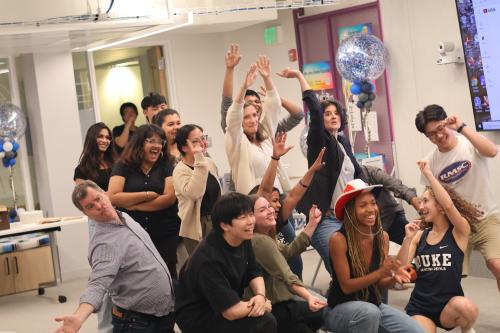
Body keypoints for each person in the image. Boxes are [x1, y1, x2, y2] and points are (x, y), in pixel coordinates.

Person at [54, 181, 175, 333]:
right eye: (90, 206)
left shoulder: (123, 216)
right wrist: (79, 317)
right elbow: (97, 285)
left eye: (98, 199)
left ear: (105, 193)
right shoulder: (105, 244)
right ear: (86, 214)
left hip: (160, 316)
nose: (98, 206)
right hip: (138, 324)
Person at [280, 68, 364, 274]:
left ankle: (369, 305)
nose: (333, 116)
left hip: (348, 216)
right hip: (325, 218)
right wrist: (300, 76)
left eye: (336, 113)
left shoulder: (343, 142)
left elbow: (356, 176)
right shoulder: (319, 141)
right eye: (328, 114)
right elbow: (314, 110)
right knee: (341, 268)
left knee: (365, 265)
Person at [323, 179, 426, 333]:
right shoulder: (338, 239)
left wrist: (392, 278)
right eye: (363, 205)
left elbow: (380, 282)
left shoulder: (382, 237)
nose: (371, 209)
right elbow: (346, 287)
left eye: (373, 203)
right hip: (341, 310)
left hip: (374, 306)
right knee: (369, 313)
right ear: (350, 210)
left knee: (417, 331)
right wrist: (381, 272)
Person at [415, 105, 500, 290]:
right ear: (427, 136)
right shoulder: (430, 162)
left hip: (486, 218)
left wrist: (461, 127)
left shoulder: (469, 142)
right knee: (448, 275)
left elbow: (492, 151)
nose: (438, 136)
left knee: (497, 265)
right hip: (456, 224)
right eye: (431, 134)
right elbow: (430, 197)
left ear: (447, 122)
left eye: (440, 128)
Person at [175, 192, 276, 333]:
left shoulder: (242, 236)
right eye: (243, 217)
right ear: (225, 225)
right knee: (265, 321)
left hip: (225, 302)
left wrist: (260, 296)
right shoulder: (208, 259)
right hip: (199, 318)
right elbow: (231, 312)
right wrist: (262, 305)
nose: (250, 221)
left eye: (251, 214)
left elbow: (254, 271)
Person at [398, 161, 480, 333]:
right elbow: (402, 270)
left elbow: (449, 205)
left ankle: (466, 329)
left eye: (425, 201)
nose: (420, 207)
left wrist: (428, 174)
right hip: (420, 307)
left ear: (441, 207)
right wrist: (407, 239)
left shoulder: (459, 232)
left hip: (447, 307)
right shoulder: (419, 236)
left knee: (468, 308)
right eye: (420, 202)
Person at [108, 124, 180, 278]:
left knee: (168, 275)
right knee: (137, 276)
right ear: (140, 143)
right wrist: (148, 194)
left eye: (161, 142)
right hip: (133, 233)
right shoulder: (123, 165)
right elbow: (113, 196)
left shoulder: (167, 164)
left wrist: (133, 205)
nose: (157, 146)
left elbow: (169, 198)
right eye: (152, 141)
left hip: (164, 232)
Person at [251, 132, 326, 278]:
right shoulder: (254, 225)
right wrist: (275, 158)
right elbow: (265, 190)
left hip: (289, 278)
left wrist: (311, 171)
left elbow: (294, 195)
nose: (278, 205)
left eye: (278, 200)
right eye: (273, 201)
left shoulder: (277, 217)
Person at [249, 195, 326, 333]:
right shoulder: (260, 241)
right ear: (250, 217)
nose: (272, 209)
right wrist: (308, 297)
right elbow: (286, 274)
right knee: (320, 310)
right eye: (262, 209)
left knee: (320, 313)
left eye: (269, 206)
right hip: (278, 309)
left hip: (282, 306)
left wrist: (312, 223)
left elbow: (290, 251)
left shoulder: (265, 237)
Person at [225, 57, 290, 195]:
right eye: (246, 117)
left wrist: (267, 78)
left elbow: (274, 105)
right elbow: (233, 117)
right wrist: (243, 87)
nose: (253, 120)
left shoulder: (265, 134)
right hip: (254, 205)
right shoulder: (236, 142)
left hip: (277, 200)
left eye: (254, 115)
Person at [220, 44, 304, 134]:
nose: (254, 105)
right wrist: (230, 69)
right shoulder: (234, 130)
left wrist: (277, 98)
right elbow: (227, 101)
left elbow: (298, 115)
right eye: (249, 103)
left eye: (257, 101)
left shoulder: (269, 128)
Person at [173, 124, 221, 255]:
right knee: (204, 268)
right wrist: (199, 158)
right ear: (183, 147)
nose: (202, 143)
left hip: (216, 221)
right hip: (196, 226)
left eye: (203, 138)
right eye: (195, 141)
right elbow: (195, 193)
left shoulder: (208, 162)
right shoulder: (180, 171)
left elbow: (218, 193)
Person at [361, 165, 420, 245]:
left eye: (373, 202)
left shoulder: (370, 172)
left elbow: (397, 186)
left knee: (415, 243)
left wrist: (421, 209)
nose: (370, 209)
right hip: (368, 228)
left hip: (392, 219)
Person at [74, 122, 116, 191]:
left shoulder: (116, 164)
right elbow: (83, 197)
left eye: (108, 138)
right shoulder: (81, 169)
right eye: (100, 136)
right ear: (91, 138)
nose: (105, 140)